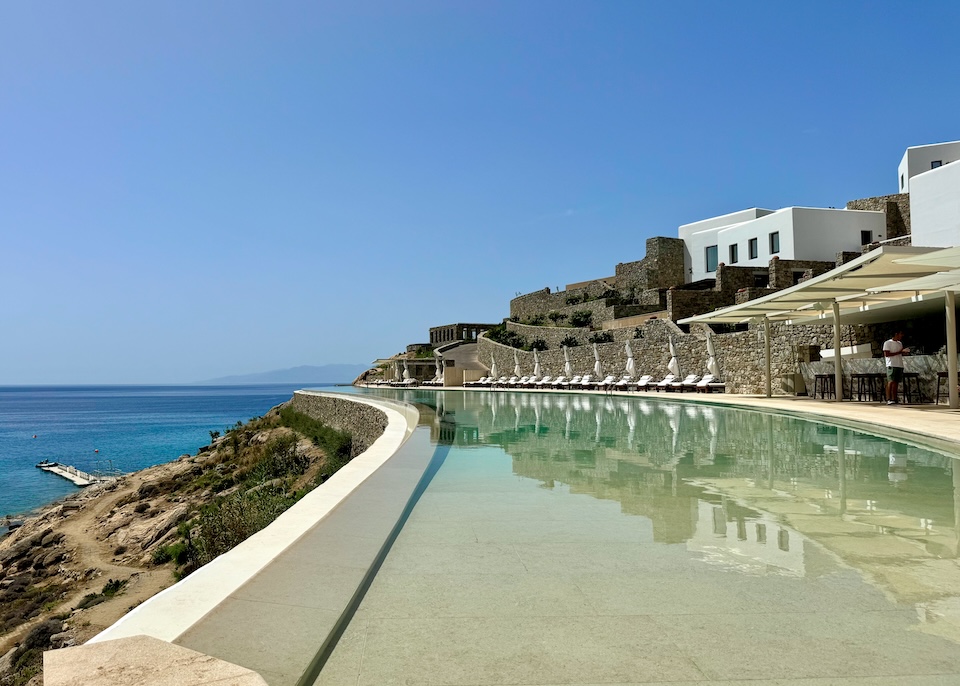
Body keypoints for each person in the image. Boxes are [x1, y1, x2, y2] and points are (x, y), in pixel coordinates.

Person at [883, 331, 910, 405]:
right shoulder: (887, 343)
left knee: (896, 383)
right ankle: (888, 399)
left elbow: (899, 353)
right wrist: (900, 352)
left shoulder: (899, 343)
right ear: (896, 334)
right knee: (890, 381)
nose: (902, 335)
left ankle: (894, 399)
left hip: (899, 364)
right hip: (891, 364)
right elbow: (887, 354)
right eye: (901, 334)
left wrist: (904, 352)